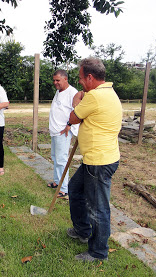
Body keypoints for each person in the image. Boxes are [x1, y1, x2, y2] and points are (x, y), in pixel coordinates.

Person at [62, 57, 122, 262]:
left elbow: (72, 118)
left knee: (98, 209)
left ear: (89, 76)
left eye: (80, 78)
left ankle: (98, 252)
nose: (79, 82)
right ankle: (82, 230)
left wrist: (76, 100)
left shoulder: (94, 97)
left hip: (99, 161)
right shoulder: (108, 92)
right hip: (98, 158)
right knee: (75, 189)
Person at [48, 69, 79, 198]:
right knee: (55, 157)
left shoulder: (73, 93)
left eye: (58, 80)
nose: (55, 83)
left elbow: (77, 112)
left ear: (65, 79)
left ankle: (64, 188)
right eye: (54, 80)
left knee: (61, 160)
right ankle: (57, 181)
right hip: (55, 131)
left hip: (63, 132)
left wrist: (69, 126)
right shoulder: (58, 91)